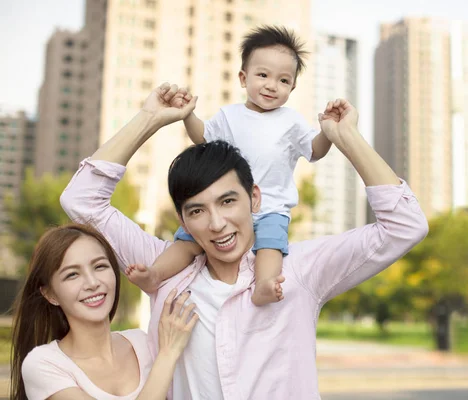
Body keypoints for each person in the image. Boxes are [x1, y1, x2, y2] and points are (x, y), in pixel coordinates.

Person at [60, 82, 429, 399]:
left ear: (254, 198)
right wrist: (150, 119)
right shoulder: (164, 270)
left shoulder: (296, 271)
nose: (217, 224)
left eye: (227, 201)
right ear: (183, 219)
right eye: (197, 211)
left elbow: (405, 225)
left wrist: (346, 138)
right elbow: (81, 199)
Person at [126, 25, 333, 307]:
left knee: (270, 246)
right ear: (243, 78)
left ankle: (263, 287)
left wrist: (329, 131)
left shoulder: (292, 121)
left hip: (271, 206)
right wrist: (188, 115)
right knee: (187, 242)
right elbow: (201, 137)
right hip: (223, 206)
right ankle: (155, 274)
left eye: (283, 80)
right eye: (263, 75)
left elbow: (315, 150)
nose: (272, 85)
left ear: (292, 87)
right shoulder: (229, 115)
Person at [10, 223, 199, 400]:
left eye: (100, 266)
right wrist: (167, 354)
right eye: (72, 274)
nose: (93, 283)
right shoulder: (45, 364)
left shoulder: (143, 343)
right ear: (50, 294)